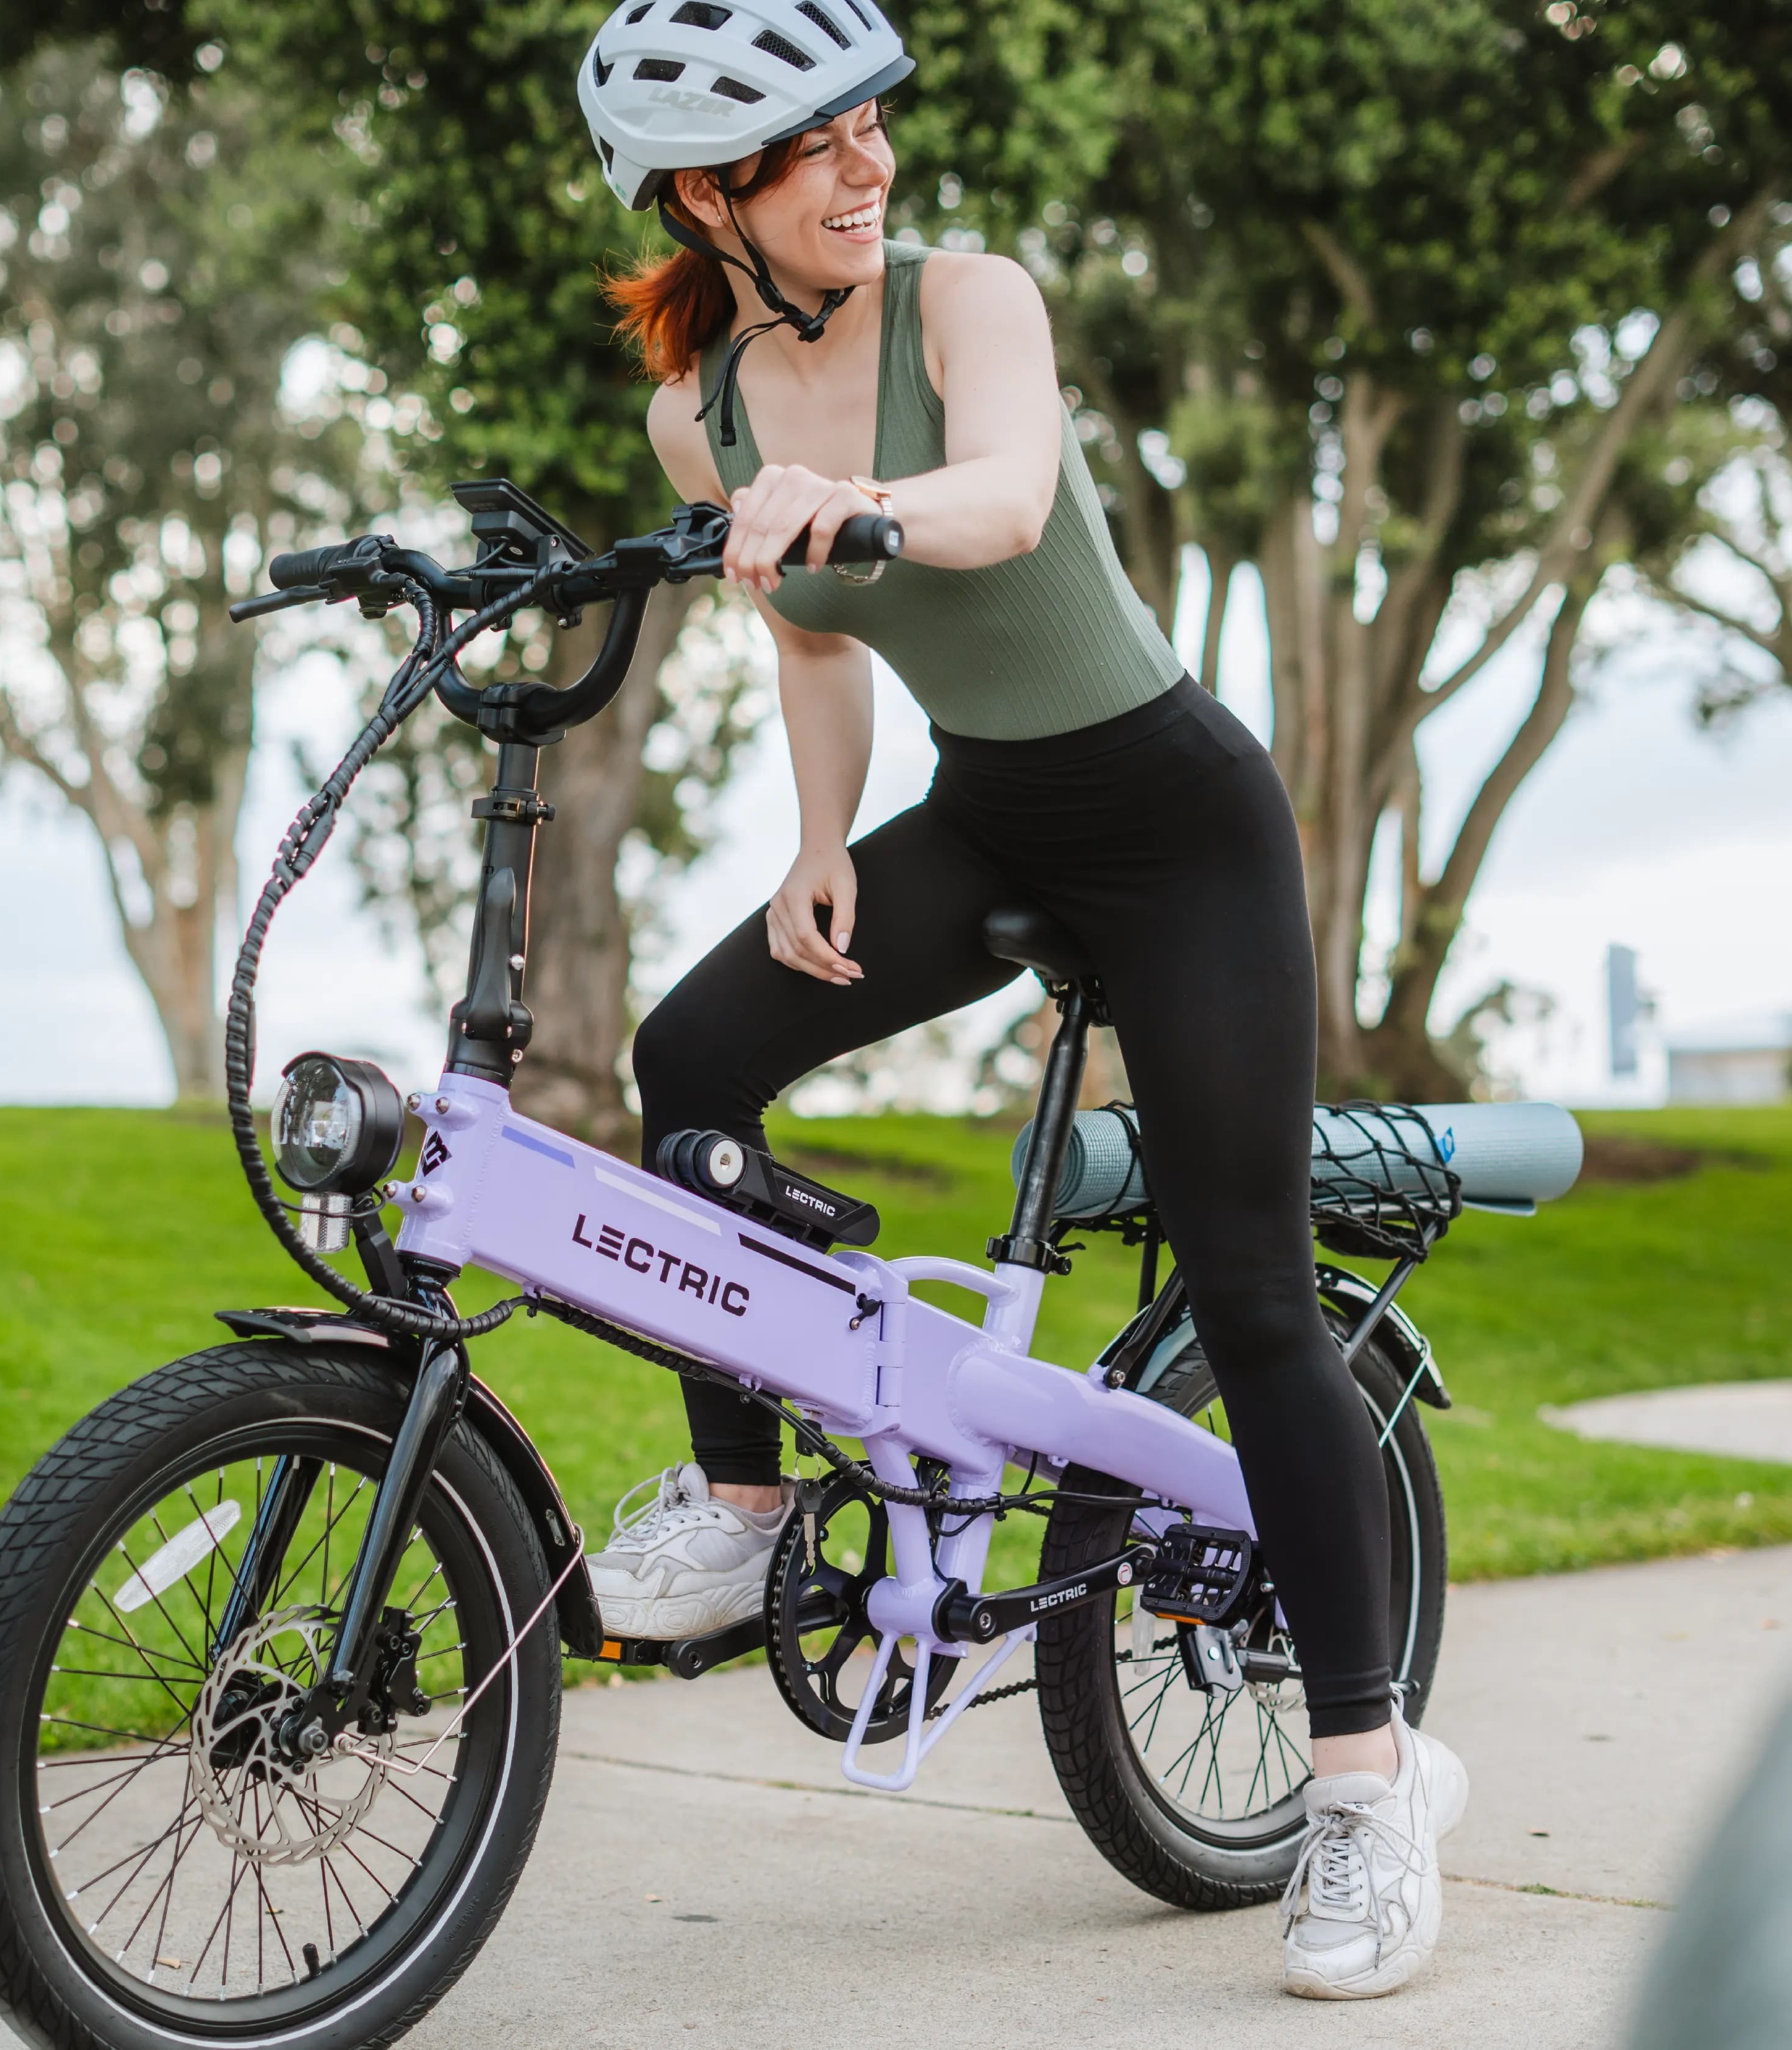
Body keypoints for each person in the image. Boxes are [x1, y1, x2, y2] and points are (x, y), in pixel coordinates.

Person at [575, 0, 1466, 1999]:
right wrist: (821, 835)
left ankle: (1367, 1791)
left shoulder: (973, 293)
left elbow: (996, 497)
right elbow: (813, 640)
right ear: (710, 198)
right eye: (816, 149)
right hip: (988, 820)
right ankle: (736, 1495)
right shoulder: (701, 415)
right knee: (693, 1055)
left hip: (1176, 817)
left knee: (1249, 1284)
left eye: (871, 122)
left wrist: (852, 509)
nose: (867, 164)